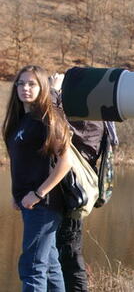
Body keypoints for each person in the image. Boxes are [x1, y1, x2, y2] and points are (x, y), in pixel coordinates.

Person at [2, 65, 71, 291]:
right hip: (29, 204)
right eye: (21, 83)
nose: (25, 88)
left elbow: (65, 163)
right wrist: (17, 194)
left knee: (32, 266)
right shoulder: (21, 121)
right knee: (50, 266)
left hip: (45, 204)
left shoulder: (48, 119)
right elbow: (22, 163)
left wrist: (38, 193)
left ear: (43, 87)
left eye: (32, 84)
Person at [49, 73, 119, 292]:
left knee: (68, 254)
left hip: (69, 192)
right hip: (74, 191)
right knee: (67, 252)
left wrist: (54, 92)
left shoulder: (89, 120)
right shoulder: (101, 115)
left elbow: (53, 125)